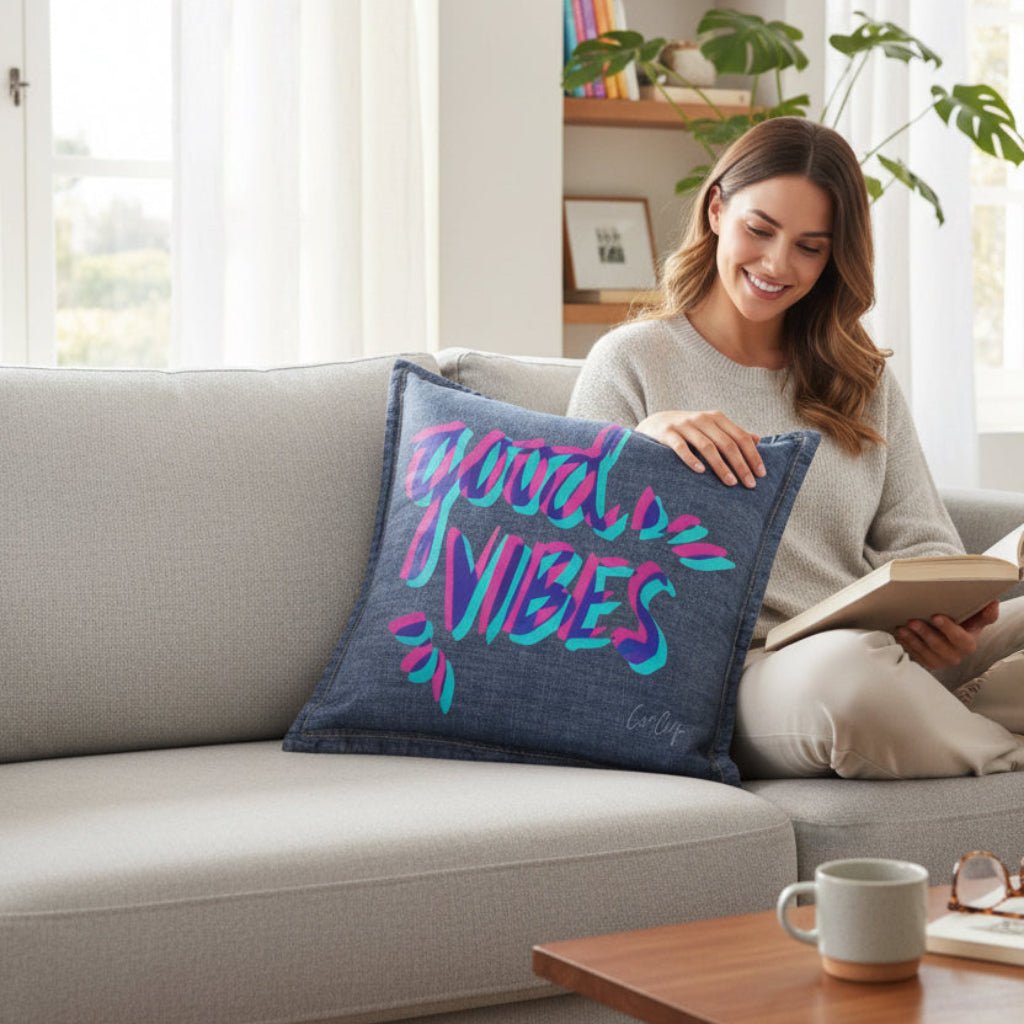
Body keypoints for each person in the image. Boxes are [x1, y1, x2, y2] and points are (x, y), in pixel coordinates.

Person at [568, 116, 1024, 780]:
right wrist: (639, 448)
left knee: (868, 667)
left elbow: (922, 542)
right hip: (749, 679)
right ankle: (997, 755)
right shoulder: (630, 364)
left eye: (811, 247)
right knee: (848, 680)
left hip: (883, 651)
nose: (779, 265)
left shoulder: (859, 377)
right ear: (718, 209)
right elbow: (576, 567)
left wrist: (948, 620)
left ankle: (930, 727)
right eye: (760, 231)